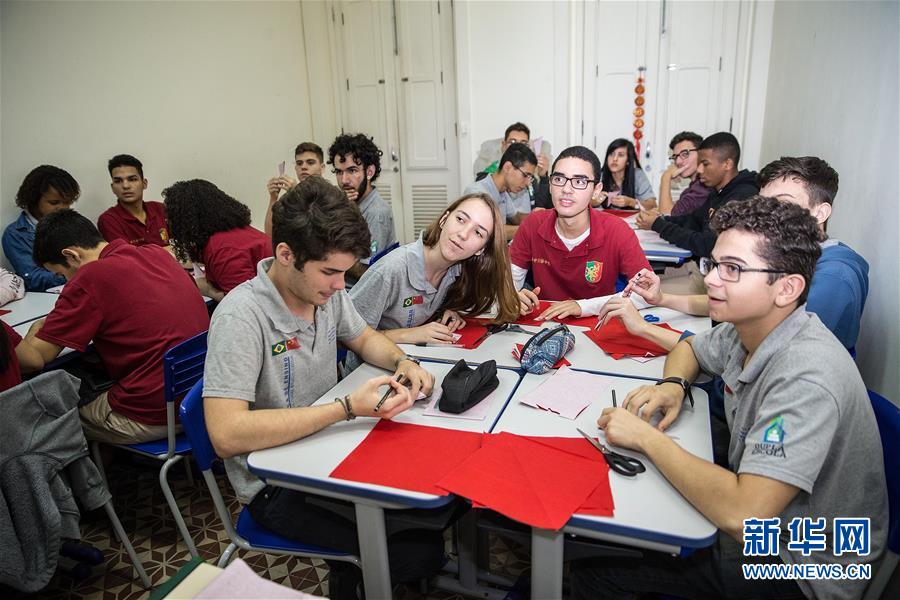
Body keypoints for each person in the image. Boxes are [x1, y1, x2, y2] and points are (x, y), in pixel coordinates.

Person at [572, 196, 887, 600]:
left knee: (600, 570)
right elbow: (690, 350)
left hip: (804, 562)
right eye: (715, 265)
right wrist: (674, 386)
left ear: (787, 288)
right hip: (775, 521)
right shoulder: (753, 326)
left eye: (733, 269)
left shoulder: (807, 375)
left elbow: (744, 514)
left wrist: (645, 437)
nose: (713, 281)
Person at [201, 176, 444, 599]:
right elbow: (225, 435)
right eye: (330, 272)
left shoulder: (325, 291)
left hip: (329, 446)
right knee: (415, 550)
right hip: (275, 483)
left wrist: (404, 361)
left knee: (437, 504)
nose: (339, 285)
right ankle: (352, 579)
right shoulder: (241, 317)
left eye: (344, 273)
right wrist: (346, 408)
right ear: (285, 254)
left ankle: (355, 576)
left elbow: (364, 337)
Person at [602, 156, 868, 353]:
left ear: (820, 213)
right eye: (764, 203)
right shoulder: (787, 254)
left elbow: (750, 351)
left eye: (784, 203)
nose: (769, 214)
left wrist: (644, 328)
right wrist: (662, 299)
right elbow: (734, 304)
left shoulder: (833, 277)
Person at [19, 209, 209, 443]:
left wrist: (38, 325)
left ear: (71, 255)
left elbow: (35, 357)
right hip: (202, 396)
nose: (66, 281)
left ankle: (98, 477)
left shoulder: (89, 278)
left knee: (56, 418)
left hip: (155, 412)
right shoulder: (155, 254)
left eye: (61, 274)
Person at [347, 192, 520, 369]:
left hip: (412, 363)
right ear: (444, 219)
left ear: (480, 250)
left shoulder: (456, 269)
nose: (463, 234)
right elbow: (347, 336)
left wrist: (451, 311)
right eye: (461, 219)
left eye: (478, 232)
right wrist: (408, 334)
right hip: (365, 374)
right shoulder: (390, 270)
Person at [509, 146, 650, 320]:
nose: (567, 189)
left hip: (597, 323)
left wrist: (582, 306)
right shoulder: (533, 224)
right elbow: (509, 283)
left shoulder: (617, 230)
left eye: (580, 182)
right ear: (551, 185)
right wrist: (512, 296)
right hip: (544, 323)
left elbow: (647, 294)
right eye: (559, 179)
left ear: (596, 190)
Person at [636, 132, 758, 258]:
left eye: (705, 164)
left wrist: (658, 225)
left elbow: (707, 245)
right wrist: (661, 220)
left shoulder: (742, 197)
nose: (699, 170)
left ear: (727, 164)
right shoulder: (717, 192)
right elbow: (693, 220)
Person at [163, 179, 272, 302]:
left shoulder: (222, 248)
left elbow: (245, 304)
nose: (168, 221)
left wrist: (208, 290)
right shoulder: (233, 230)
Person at [328, 133, 396, 284]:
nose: (344, 180)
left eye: (352, 171)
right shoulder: (345, 203)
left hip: (354, 291)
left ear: (369, 172)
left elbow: (368, 272)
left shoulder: (376, 213)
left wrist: (328, 252)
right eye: (339, 172)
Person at [2, 165, 80, 291]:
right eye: (54, 203)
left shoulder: (76, 223)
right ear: (33, 200)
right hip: (45, 299)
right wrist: (76, 273)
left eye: (67, 203)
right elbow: (33, 278)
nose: (62, 208)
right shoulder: (16, 234)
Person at [464, 143, 538, 238]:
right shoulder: (477, 192)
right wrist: (528, 229)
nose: (528, 183)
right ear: (507, 167)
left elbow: (516, 217)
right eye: (525, 175)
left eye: (530, 177)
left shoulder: (503, 192)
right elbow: (489, 231)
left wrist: (537, 217)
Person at [97, 154, 169, 247]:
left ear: (144, 184)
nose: (125, 186)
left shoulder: (160, 209)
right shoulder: (109, 220)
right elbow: (128, 257)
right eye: (118, 181)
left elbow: (181, 244)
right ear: (113, 188)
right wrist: (167, 251)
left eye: (132, 179)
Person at [264, 142, 326, 236]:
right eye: (299, 163)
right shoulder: (288, 196)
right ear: (295, 168)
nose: (303, 167)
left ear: (322, 168)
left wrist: (297, 194)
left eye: (310, 162)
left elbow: (320, 231)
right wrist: (273, 198)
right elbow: (270, 234)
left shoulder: (331, 193)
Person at [657, 131, 709, 216]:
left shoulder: (703, 187)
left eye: (685, 154)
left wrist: (666, 176)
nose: (678, 162)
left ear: (701, 153)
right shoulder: (692, 187)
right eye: (675, 157)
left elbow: (667, 215)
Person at [597, 138, 656, 209]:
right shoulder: (599, 175)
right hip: (605, 218)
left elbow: (652, 204)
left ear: (628, 161)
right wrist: (595, 201)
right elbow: (586, 202)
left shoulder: (637, 175)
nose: (614, 159)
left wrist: (631, 202)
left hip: (631, 219)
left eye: (620, 155)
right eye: (611, 154)